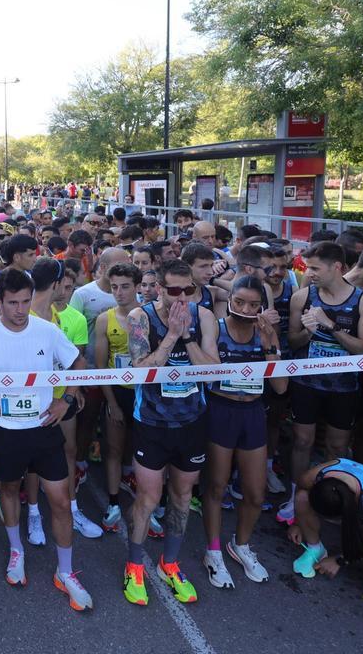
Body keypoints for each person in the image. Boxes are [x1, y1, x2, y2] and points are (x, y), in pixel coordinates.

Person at [0, 268, 93, 611]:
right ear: (0, 301)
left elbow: (80, 363)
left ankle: (67, 571)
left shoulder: (47, 330)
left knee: (59, 499)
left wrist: (66, 400)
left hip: (44, 430)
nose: (20, 309)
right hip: (6, 433)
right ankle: (16, 551)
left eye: (26, 301)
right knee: (9, 491)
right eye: (13, 303)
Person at [124, 259, 219, 606]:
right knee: (148, 498)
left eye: (188, 290)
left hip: (191, 423)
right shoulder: (140, 318)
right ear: (158, 288)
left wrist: (188, 335)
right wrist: (172, 337)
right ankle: (134, 564)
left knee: (181, 497)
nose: (181, 297)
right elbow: (139, 371)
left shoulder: (204, 316)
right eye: (173, 290)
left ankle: (170, 562)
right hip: (151, 423)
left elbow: (212, 372)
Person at [279, 242, 363, 524]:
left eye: (314, 268)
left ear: (337, 267)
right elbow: (292, 342)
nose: (308, 273)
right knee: (302, 441)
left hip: (344, 387)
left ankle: (331, 493)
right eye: (307, 267)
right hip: (306, 383)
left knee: (337, 446)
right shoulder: (303, 297)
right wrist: (310, 332)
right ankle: (296, 496)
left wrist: (330, 326)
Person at [200, 275, 287, 589]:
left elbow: (280, 386)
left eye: (254, 304)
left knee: (254, 491)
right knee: (216, 486)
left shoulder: (266, 332)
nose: (246, 309)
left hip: (252, 413)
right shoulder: (217, 330)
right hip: (219, 409)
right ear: (230, 299)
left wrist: (269, 348)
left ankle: (242, 544)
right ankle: (212, 550)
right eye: (240, 302)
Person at [290, 458, 363, 606]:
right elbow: (301, 491)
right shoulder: (311, 476)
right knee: (302, 497)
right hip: (357, 504)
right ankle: (315, 547)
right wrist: (297, 523)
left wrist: (339, 560)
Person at [92, 263, 141, 533]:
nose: (119, 292)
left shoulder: (149, 314)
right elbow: (101, 367)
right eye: (114, 287)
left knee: (144, 452)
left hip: (145, 394)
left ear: (136, 287)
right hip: (117, 393)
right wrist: (111, 403)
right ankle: (112, 502)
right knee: (113, 448)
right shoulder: (104, 319)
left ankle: (145, 501)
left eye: (125, 287)